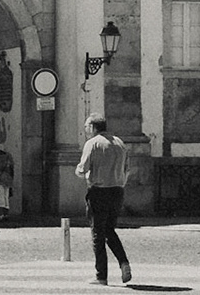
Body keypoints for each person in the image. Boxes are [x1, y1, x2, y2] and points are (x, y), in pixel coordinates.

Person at [75, 114, 131, 287]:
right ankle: (124, 262)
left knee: (98, 234)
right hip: (117, 192)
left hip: (99, 192)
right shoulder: (120, 144)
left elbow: (82, 169)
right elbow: (127, 170)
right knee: (109, 230)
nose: (85, 130)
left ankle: (101, 276)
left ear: (93, 127)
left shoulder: (92, 144)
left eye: (86, 127)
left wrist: (81, 172)